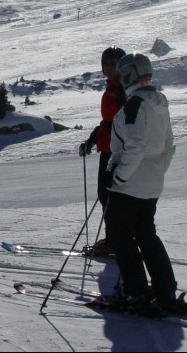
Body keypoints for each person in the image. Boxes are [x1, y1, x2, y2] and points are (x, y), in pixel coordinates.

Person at [103, 53, 187, 316]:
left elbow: (135, 146)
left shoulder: (135, 105)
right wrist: (156, 172)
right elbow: (168, 145)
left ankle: (136, 291)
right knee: (146, 234)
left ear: (128, 75)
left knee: (121, 237)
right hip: (151, 184)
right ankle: (165, 289)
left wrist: (119, 177)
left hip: (129, 185)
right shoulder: (159, 101)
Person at [78, 45, 126, 256]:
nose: (108, 67)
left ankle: (116, 241)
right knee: (106, 195)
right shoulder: (113, 88)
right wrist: (92, 140)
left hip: (116, 150)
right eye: (106, 63)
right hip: (107, 146)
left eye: (113, 63)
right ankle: (116, 239)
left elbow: (121, 122)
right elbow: (107, 122)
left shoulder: (122, 90)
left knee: (111, 197)